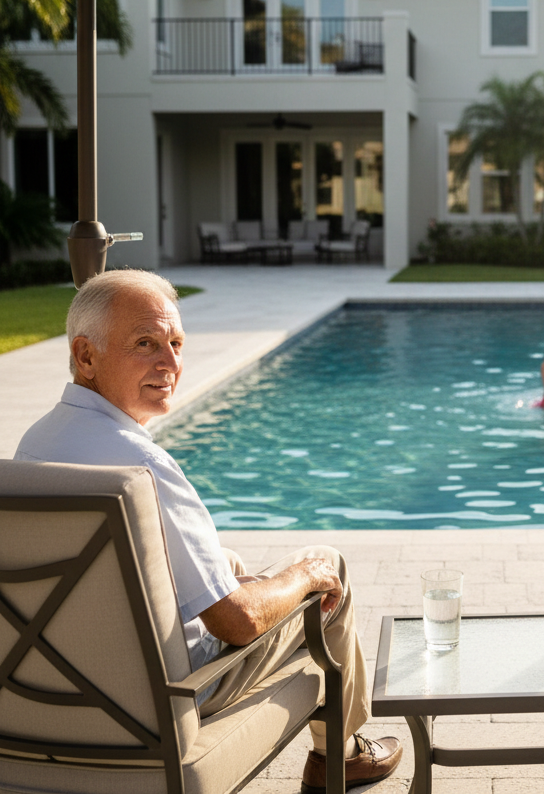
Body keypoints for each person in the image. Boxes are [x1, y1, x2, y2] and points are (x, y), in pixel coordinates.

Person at [13, 270, 401, 793]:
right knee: (326, 563)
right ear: (86, 356)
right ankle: (343, 753)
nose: (170, 363)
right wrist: (306, 575)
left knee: (228, 560)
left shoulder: (37, 444)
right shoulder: (141, 468)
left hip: (57, 690)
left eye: (175, 343)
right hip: (167, 696)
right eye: (145, 343)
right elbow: (236, 624)